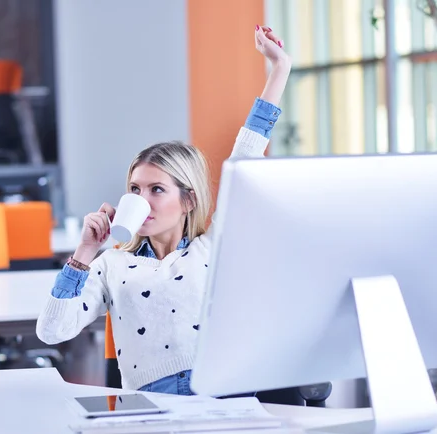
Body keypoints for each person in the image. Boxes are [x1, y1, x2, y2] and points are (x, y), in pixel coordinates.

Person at [37, 25, 291, 396]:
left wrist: (279, 68)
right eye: (135, 189)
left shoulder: (213, 246)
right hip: (153, 405)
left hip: (221, 395)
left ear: (188, 200)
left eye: (157, 189)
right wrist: (84, 254)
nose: (144, 200)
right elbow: (51, 331)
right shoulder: (112, 264)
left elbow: (247, 153)